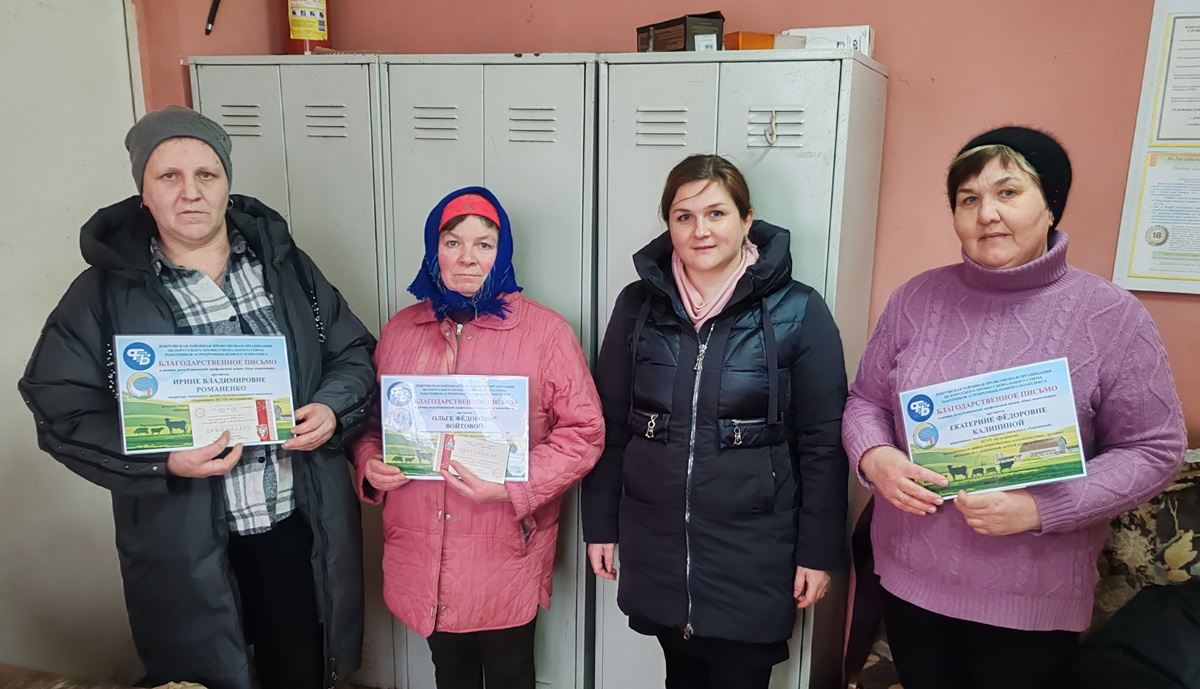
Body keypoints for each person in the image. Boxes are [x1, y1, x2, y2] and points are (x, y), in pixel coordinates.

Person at [18, 106, 376, 689]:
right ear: (143, 192)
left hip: (294, 522)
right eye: (170, 176)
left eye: (206, 174)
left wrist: (332, 408)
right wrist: (163, 458)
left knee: (300, 671)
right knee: (203, 679)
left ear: (226, 183)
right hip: (181, 540)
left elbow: (352, 352)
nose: (191, 192)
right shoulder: (102, 293)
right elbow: (61, 405)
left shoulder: (286, 269)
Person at [842, 126, 1187, 689]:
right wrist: (875, 457)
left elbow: (1155, 449)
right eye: (968, 199)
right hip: (909, 579)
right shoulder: (916, 298)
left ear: (1051, 205)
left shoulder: (1112, 317)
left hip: (1031, 597)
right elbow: (865, 401)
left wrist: (1040, 509)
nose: (987, 215)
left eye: (1008, 192)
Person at [582, 154, 850, 689]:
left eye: (716, 213)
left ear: (747, 219)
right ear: (669, 225)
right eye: (684, 216)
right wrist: (601, 526)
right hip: (657, 542)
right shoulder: (638, 305)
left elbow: (823, 441)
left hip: (755, 550)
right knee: (680, 677)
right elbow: (608, 423)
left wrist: (818, 552)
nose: (700, 230)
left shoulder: (798, 310)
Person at [351, 187, 603, 689]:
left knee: (511, 672)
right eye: (453, 242)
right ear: (434, 250)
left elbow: (584, 433)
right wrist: (370, 463)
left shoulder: (545, 333)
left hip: (503, 550)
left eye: (483, 244)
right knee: (451, 672)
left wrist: (514, 485)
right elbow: (371, 424)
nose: (467, 257)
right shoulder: (400, 331)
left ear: (501, 252)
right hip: (421, 550)